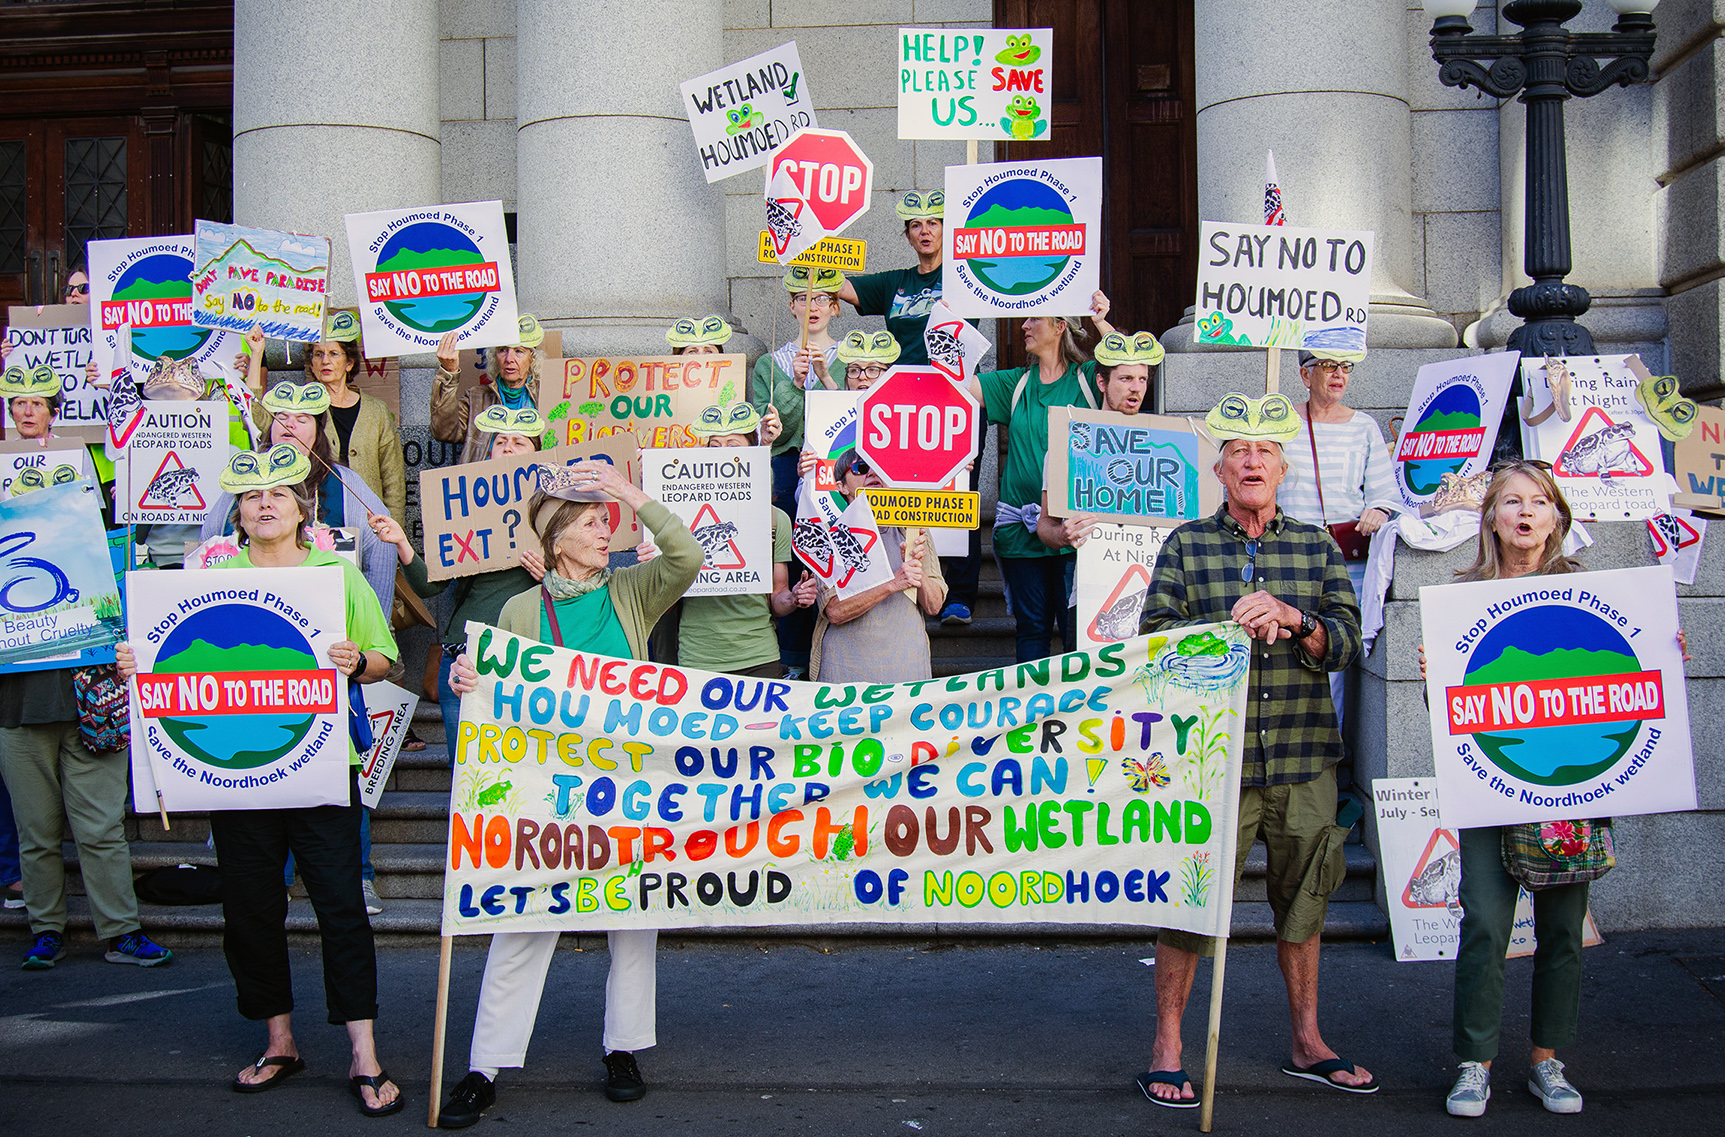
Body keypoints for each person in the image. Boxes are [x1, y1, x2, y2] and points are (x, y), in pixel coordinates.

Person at [117, 445, 403, 1114]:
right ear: (238, 513)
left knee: (341, 907)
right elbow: (171, 656)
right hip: (236, 775)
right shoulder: (200, 580)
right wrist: (140, 662)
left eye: (278, 492)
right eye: (251, 496)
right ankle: (280, 1039)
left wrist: (358, 658)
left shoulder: (338, 575)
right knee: (250, 910)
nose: (264, 502)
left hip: (323, 766)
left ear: (304, 507)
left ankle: (363, 1049)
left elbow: (387, 658)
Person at [436, 457, 701, 1127]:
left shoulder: (632, 592)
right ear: (557, 540)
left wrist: (626, 491)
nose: (602, 524)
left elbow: (689, 553)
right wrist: (472, 674)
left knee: (633, 920)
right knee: (523, 921)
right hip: (548, 791)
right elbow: (493, 685)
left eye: (603, 516)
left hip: (629, 784)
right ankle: (484, 1065)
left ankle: (623, 1048)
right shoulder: (522, 607)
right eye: (589, 519)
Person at [1416, 461, 1686, 1118]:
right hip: (1493, 784)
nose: (1525, 512)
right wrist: (1437, 674)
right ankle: (1473, 1061)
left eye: (1538, 501)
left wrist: (1661, 654)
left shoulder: (1597, 597)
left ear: (1558, 517)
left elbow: (1626, 692)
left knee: (1562, 926)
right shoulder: (1462, 599)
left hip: (1570, 784)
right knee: (1483, 919)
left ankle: (1546, 1058)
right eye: (1511, 501)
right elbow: (1453, 717)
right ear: (1492, 517)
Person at [1135, 392, 1372, 1108]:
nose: (1250, 461)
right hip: (1215, 760)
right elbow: (1153, 643)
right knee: (1189, 902)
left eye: (1263, 451)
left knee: (1304, 903)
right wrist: (1224, 628)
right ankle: (1168, 1045)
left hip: (1302, 758)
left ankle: (1308, 1039)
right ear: (1218, 467)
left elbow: (1346, 642)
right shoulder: (1185, 543)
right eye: (1237, 450)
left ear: (1281, 465)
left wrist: (1295, 618)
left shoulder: (1313, 545)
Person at [201, 379, 399, 913]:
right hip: (253, 662)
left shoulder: (347, 483)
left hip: (332, 664)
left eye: (304, 417)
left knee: (337, 773)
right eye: (281, 416)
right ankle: (271, 877)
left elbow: (378, 561)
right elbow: (206, 551)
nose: (291, 424)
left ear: (320, 428)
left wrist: (364, 647)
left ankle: (354, 875)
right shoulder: (240, 485)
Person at [0, 364, 169, 971]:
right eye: (15, 402)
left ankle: (119, 930)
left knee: (101, 828)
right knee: (36, 833)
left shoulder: (106, 550)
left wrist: (127, 651)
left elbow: (134, 623)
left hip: (91, 703)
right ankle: (46, 929)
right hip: (16, 710)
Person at [838, 190, 985, 626]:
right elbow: (840, 286)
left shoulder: (969, 276)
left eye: (935, 223)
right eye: (917, 225)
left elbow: (1018, 286)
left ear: (947, 230)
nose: (926, 231)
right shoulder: (894, 283)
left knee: (958, 496)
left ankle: (957, 594)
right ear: (907, 234)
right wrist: (814, 243)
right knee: (901, 498)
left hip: (953, 401)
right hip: (899, 409)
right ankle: (903, 578)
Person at [384, 405, 550, 761]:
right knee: (465, 773)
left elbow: (587, 584)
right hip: (461, 655)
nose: (507, 447)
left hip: (522, 660)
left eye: (519, 441)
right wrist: (402, 544)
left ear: (538, 454)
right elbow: (430, 587)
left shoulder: (555, 511)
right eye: (500, 440)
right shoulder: (464, 510)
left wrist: (549, 576)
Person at [975, 293, 1116, 662]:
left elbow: (1124, 370)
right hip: (1020, 535)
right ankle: (1032, 717)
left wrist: (1101, 321)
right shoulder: (1014, 384)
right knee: (1032, 632)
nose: (1024, 325)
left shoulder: (1088, 379)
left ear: (1060, 326)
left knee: (1076, 634)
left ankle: (1077, 715)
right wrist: (951, 319)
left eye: (1034, 318)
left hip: (1076, 533)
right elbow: (956, 388)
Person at [650, 400, 814, 677]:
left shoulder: (775, 520)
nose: (723, 455)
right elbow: (662, 601)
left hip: (760, 657)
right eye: (715, 447)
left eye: (734, 447)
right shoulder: (678, 520)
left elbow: (778, 597)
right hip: (697, 659)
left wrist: (795, 598)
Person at [1279, 347, 1398, 726]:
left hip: (1346, 561)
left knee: (1332, 650)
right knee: (1284, 645)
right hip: (1290, 554)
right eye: (1328, 366)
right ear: (1305, 375)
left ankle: (1328, 754)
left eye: (1345, 367)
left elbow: (1385, 493)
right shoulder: (1282, 423)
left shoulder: (1363, 426)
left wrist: (1378, 509)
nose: (1339, 375)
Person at [750, 265, 845, 679]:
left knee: (834, 554)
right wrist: (793, 383)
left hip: (837, 468)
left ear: (836, 308)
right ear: (791, 305)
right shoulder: (770, 363)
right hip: (789, 468)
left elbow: (854, 416)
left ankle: (835, 651)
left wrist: (824, 378)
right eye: (804, 298)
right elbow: (773, 430)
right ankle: (792, 657)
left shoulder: (851, 358)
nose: (813, 306)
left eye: (822, 298)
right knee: (789, 557)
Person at [245, 311, 405, 522]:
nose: (325, 361)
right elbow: (255, 418)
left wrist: (394, 535)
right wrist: (257, 354)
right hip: (318, 517)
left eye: (333, 354)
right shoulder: (299, 405)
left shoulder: (377, 411)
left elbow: (393, 480)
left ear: (349, 363)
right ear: (311, 364)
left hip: (370, 520)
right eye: (318, 354)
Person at [805, 447, 946, 683]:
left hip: (906, 667)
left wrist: (917, 572)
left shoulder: (913, 529)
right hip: (845, 671)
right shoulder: (828, 535)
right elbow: (836, 612)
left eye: (879, 468)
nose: (872, 474)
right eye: (861, 468)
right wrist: (893, 583)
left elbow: (934, 606)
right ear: (842, 487)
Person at [1034, 330, 1164, 553]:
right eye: (1126, 378)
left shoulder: (1162, 445)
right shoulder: (1069, 445)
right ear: (1101, 383)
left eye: (1142, 379)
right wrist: (1062, 534)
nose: (1136, 388)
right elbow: (1045, 524)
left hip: (1149, 570)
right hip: (1089, 569)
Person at [433, 313, 547, 464]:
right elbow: (444, 432)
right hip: (485, 482)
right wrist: (449, 373)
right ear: (494, 357)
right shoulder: (477, 397)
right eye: (502, 350)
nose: (509, 359)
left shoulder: (547, 394)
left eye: (519, 351)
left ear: (532, 359)